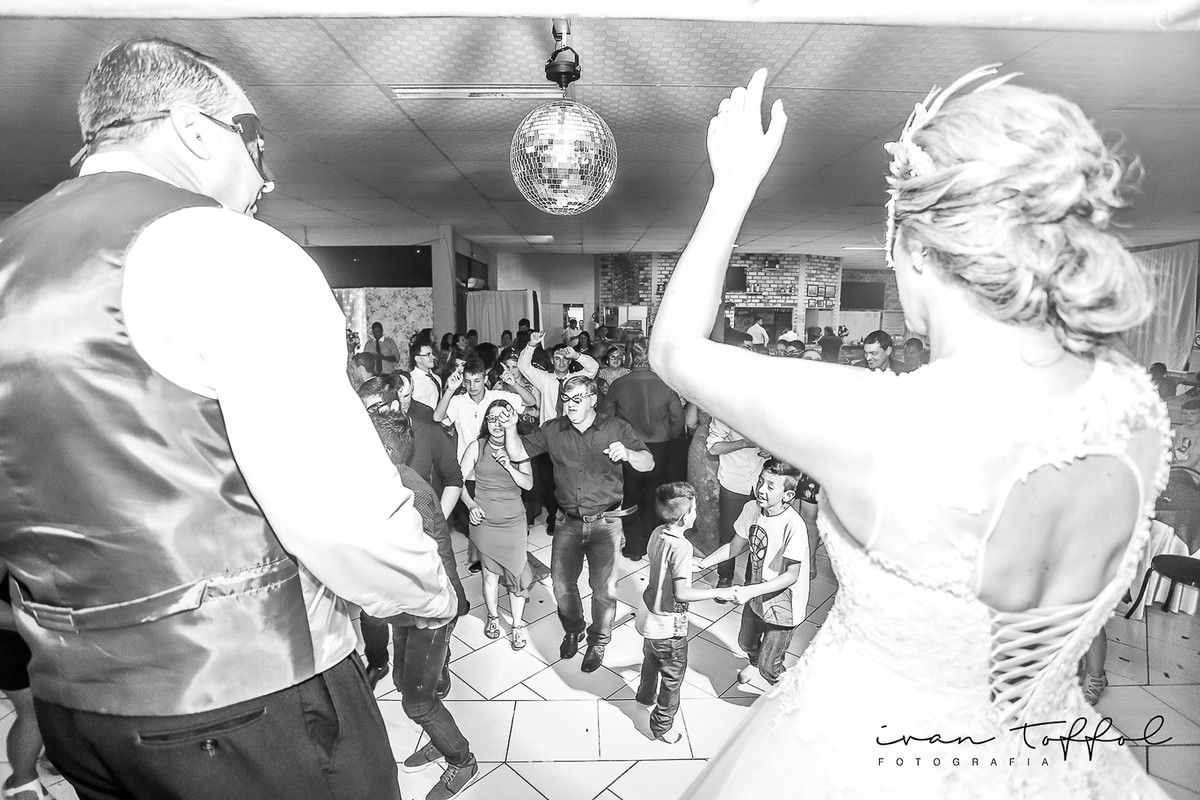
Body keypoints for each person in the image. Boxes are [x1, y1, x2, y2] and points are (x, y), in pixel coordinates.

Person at [651, 68, 1169, 798]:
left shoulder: (878, 422)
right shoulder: (1133, 405)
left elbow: (674, 349)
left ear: (918, 247)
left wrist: (732, 184)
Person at [0, 38, 455, 800]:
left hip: (75, 710)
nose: (266, 179)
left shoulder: (9, 253)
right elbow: (340, 514)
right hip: (245, 701)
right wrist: (425, 592)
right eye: (256, 144)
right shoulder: (219, 247)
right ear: (195, 129)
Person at [505, 375, 654, 673]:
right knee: (561, 584)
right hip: (567, 522)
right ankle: (574, 629)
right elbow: (518, 452)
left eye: (577, 399)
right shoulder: (553, 429)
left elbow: (648, 462)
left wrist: (628, 454)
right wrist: (510, 428)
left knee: (603, 588)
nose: (569, 404)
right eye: (566, 398)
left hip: (606, 522)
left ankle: (599, 640)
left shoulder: (615, 427)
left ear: (592, 399)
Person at [368, 409, 477, 800]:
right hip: (407, 606)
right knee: (404, 682)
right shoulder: (386, 483)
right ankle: (439, 734)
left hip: (430, 608)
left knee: (417, 702)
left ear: (384, 450)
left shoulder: (408, 491)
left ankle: (461, 759)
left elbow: (430, 558)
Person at [636, 483, 735, 744]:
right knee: (672, 675)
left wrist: (689, 565)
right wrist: (719, 592)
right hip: (668, 623)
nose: (696, 513)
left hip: (648, 613)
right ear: (684, 518)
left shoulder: (659, 532)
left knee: (650, 658)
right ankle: (662, 725)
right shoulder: (683, 547)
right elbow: (682, 593)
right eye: (694, 510)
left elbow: (662, 562)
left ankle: (644, 696)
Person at [695, 460, 808, 686]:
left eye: (770, 486)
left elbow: (791, 575)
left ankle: (788, 690)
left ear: (787, 496)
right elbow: (734, 546)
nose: (761, 489)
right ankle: (757, 663)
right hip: (755, 592)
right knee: (746, 643)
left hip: (783, 604)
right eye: (760, 482)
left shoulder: (794, 525)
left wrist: (750, 591)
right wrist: (702, 564)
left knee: (770, 667)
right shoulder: (751, 509)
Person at [460, 399, 537, 650]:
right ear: (486, 422)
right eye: (491, 418)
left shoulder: (519, 448)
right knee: (489, 575)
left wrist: (508, 465)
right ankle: (493, 617)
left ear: (510, 422)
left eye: (501, 419)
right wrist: (471, 505)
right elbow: (456, 481)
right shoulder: (477, 447)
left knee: (517, 573)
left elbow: (528, 484)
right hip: (484, 520)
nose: (496, 424)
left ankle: (517, 625)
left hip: (513, 520)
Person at [602, 340, 684, 560]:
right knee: (654, 496)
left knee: (631, 496)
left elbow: (606, 418)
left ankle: (634, 548)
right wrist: (670, 436)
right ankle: (650, 543)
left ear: (630, 357)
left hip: (630, 448)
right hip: (660, 447)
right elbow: (678, 420)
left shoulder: (619, 384)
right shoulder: (666, 384)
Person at [0, 571, 50, 800]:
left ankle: (57, 751)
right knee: (34, 711)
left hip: (36, 628)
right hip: (12, 638)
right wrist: (43, 626)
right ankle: (21, 782)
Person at [706, 416, 767, 600]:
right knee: (728, 533)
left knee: (758, 537)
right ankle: (725, 577)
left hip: (762, 482)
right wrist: (744, 443)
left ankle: (752, 581)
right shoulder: (726, 411)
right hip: (734, 480)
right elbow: (713, 447)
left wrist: (771, 451)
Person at [410, 340, 444, 410]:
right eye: (428, 355)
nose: (433, 357)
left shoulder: (437, 378)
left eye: (432, 354)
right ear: (418, 359)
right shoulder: (411, 379)